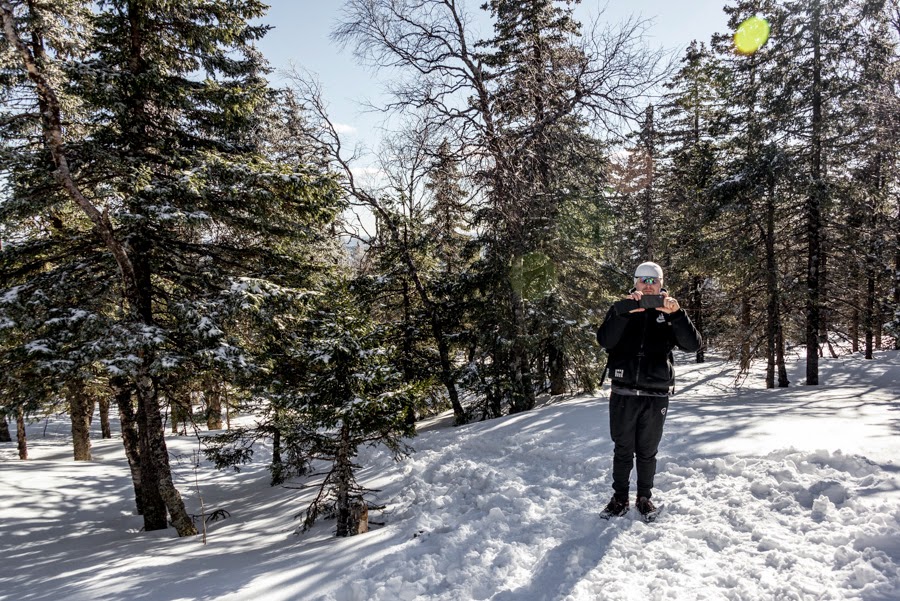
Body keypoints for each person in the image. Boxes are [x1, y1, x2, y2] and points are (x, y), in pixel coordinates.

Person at [596, 261, 702, 519]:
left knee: (647, 451)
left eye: (653, 280)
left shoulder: (669, 312)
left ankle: (644, 498)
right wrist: (624, 312)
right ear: (635, 282)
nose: (648, 284)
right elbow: (605, 340)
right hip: (623, 392)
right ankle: (619, 498)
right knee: (622, 449)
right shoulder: (623, 308)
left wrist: (677, 314)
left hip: (656, 393)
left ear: (661, 283)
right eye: (643, 279)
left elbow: (693, 345)